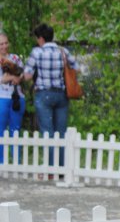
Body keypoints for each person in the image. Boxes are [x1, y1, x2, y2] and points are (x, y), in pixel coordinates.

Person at [23, 23, 79, 167]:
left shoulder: (37, 52)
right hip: (61, 95)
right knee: (61, 133)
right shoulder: (63, 51)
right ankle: (61, 168)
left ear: (41, 38)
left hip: (44, 94)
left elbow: (27, 76)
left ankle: (50, 169)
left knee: (47, 133)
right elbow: (77, 69)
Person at [0, 33, 26, 162]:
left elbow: (24, 73)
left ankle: (17, 162)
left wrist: (19, 78)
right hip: (1, 98)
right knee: (0, 130)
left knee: (15, 130)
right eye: (1, 44)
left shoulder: (15, 58)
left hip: (17, 97)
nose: (4, 46)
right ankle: (1, 162)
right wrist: (11, 77)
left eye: (6, 43)